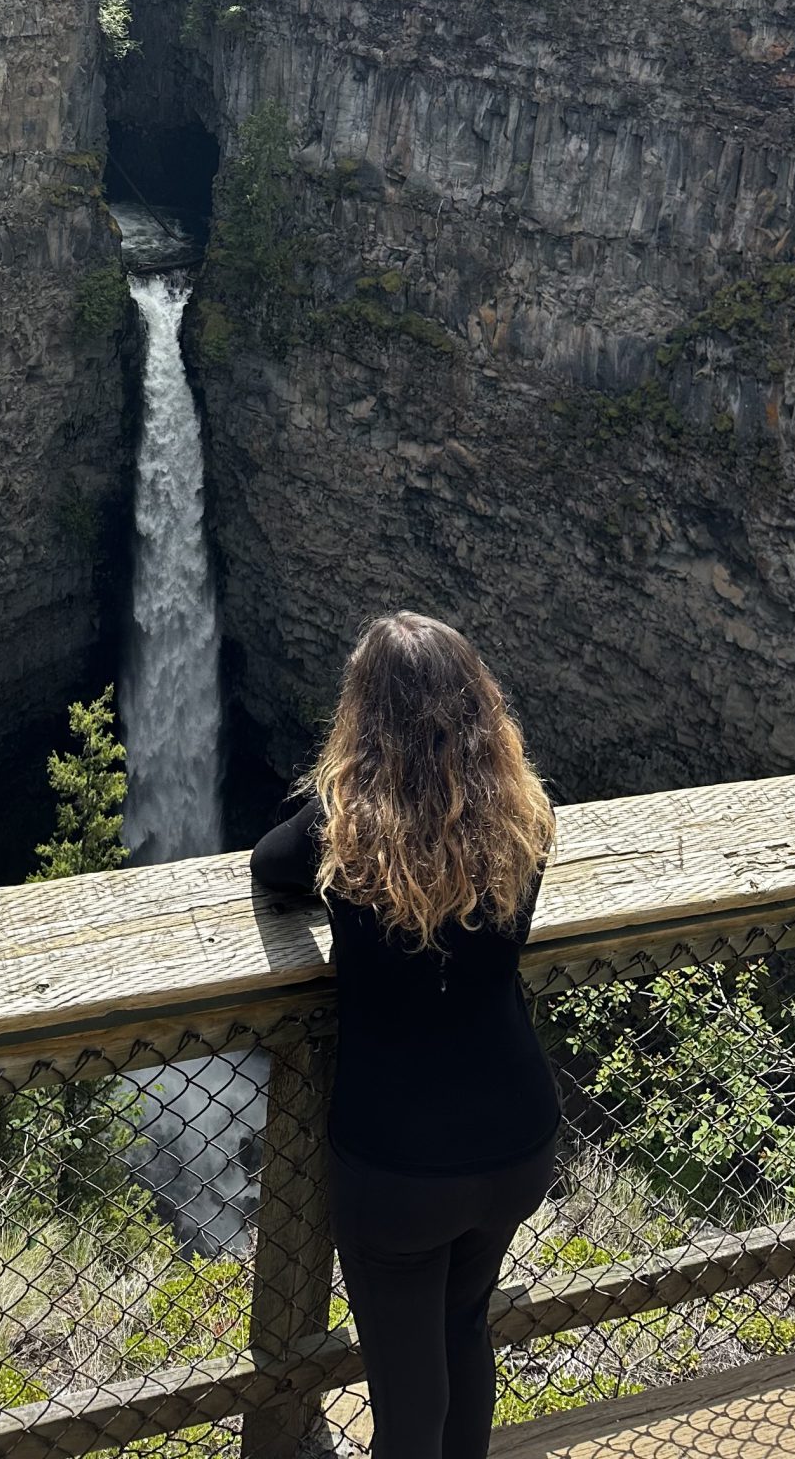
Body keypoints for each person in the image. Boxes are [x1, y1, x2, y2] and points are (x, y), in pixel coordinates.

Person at [249, 612, 559, 1459]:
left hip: (398, 1164)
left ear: (363, 717)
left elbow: (268, 870)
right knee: (466, 1324)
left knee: (405, 1393)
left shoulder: (342, 831)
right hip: (515, 1139)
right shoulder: (525, 820)